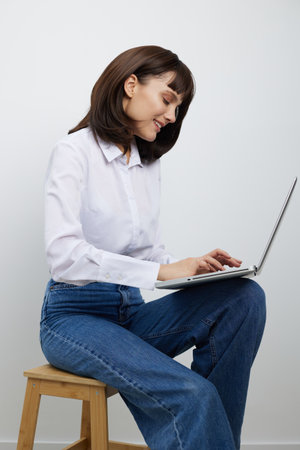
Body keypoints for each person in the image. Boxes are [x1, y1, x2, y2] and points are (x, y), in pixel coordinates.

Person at [40, 45, 266, 450]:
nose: (172, 116)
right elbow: (64, 256)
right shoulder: (73, 152)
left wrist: (190, 266)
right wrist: (161, 272)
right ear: (131, 85)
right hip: (74, 318)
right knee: (192, 394)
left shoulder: (147, 163)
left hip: (131, 313)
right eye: (167, 99)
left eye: (179, 108)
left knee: (244, 296)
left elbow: (147, 255)